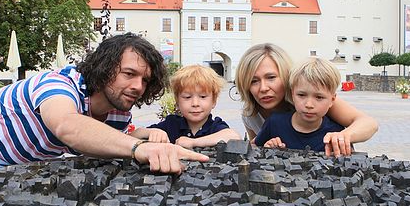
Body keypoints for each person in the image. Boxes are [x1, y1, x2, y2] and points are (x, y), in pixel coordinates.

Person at [0, 33, 208, 173]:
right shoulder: (58, 85)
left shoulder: (118, 107)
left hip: (24, 157)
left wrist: (147, 134)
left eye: (144, 80)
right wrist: (139, 148)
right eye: (129, 74)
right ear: (105, 68)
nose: (138, 86)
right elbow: (68, 125)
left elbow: (113, 137)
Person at [234, 43, 378, 156]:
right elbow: (255, 149)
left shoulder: (311, 95)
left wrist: (342, 137)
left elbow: (368, 123)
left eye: (271, 77)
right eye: (254, 81)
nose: (263, 88)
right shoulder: (250, 115)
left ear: (286, 77)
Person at [133, 65, 241, 147]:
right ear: (177, 102)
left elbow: (234, 137)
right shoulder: (171, 125)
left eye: (203, 97)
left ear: (214, 101)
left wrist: (193, 142)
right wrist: (151, 132)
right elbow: (134, 135)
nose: (195, 104)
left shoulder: (215, 126)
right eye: (187, 97)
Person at [255, 57, 344, 152]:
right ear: (292, 94)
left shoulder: (337, 133)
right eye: (301, 95)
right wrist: (266, 148)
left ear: (332, 100)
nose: (309, 104)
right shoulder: (274, 123)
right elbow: (254, 150)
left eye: (319, 97)